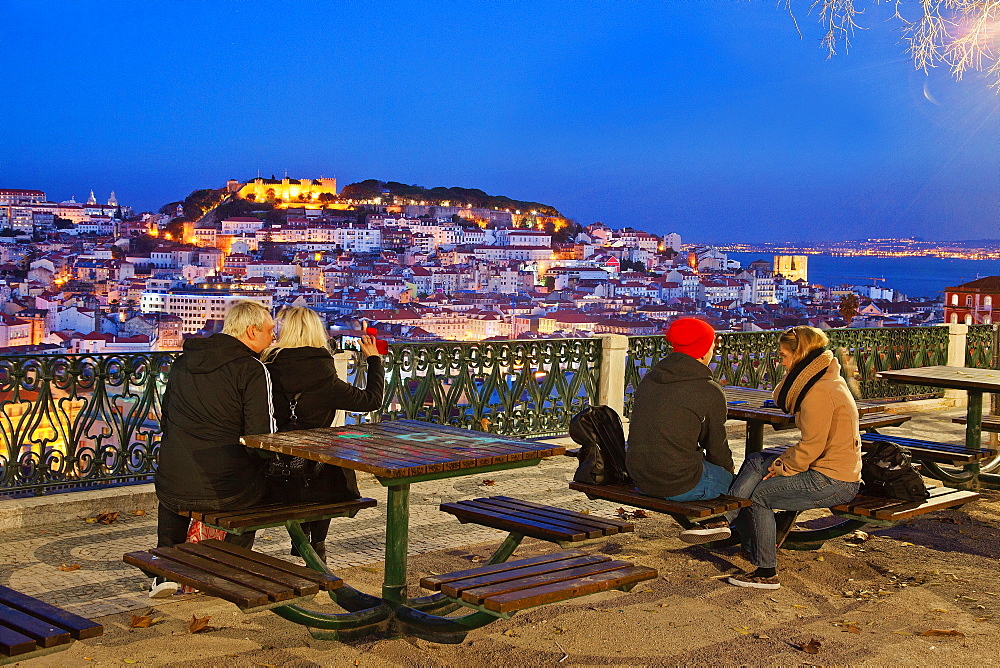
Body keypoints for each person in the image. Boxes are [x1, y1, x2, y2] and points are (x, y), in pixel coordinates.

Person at [151, 300, 277, 597]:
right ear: (251, 331)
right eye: (271, 331)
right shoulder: (251, 369)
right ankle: (229, 567)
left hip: (172, 482)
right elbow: (261, 437)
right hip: (229, 489)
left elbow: (166, 416)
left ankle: (164, 571)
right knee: (262, 488)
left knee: (175, 486)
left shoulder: (183, 363)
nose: (274, 337)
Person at [725, 326, 861, 590]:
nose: (782, 362)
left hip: (833, 480)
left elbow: (811, 447)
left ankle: (766, 572)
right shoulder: (824, 379)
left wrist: (783, 467)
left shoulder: (820, 392)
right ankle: (726, 519)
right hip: (828, 469)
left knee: (759, 495)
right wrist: (779, 464)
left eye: (785, 356)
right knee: (756, 459)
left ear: (799, 355)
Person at [262, 307, 385, 563]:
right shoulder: (324, 375)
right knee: (329, 468)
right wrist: (374, 359)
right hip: (320, 468)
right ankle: (317, 544)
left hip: (275, 462)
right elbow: (371, 400)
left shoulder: (266, 368)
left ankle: (300, 536)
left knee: (301, 477)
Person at [625, 317, 735, 544]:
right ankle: (720, 523)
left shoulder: (649, 379)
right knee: (742, 482)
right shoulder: (708, 390)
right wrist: (727, 476)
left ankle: (712, 522)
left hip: (641, 478)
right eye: (713, 345)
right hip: (678, 483)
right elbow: (716, 447)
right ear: (704, 350)